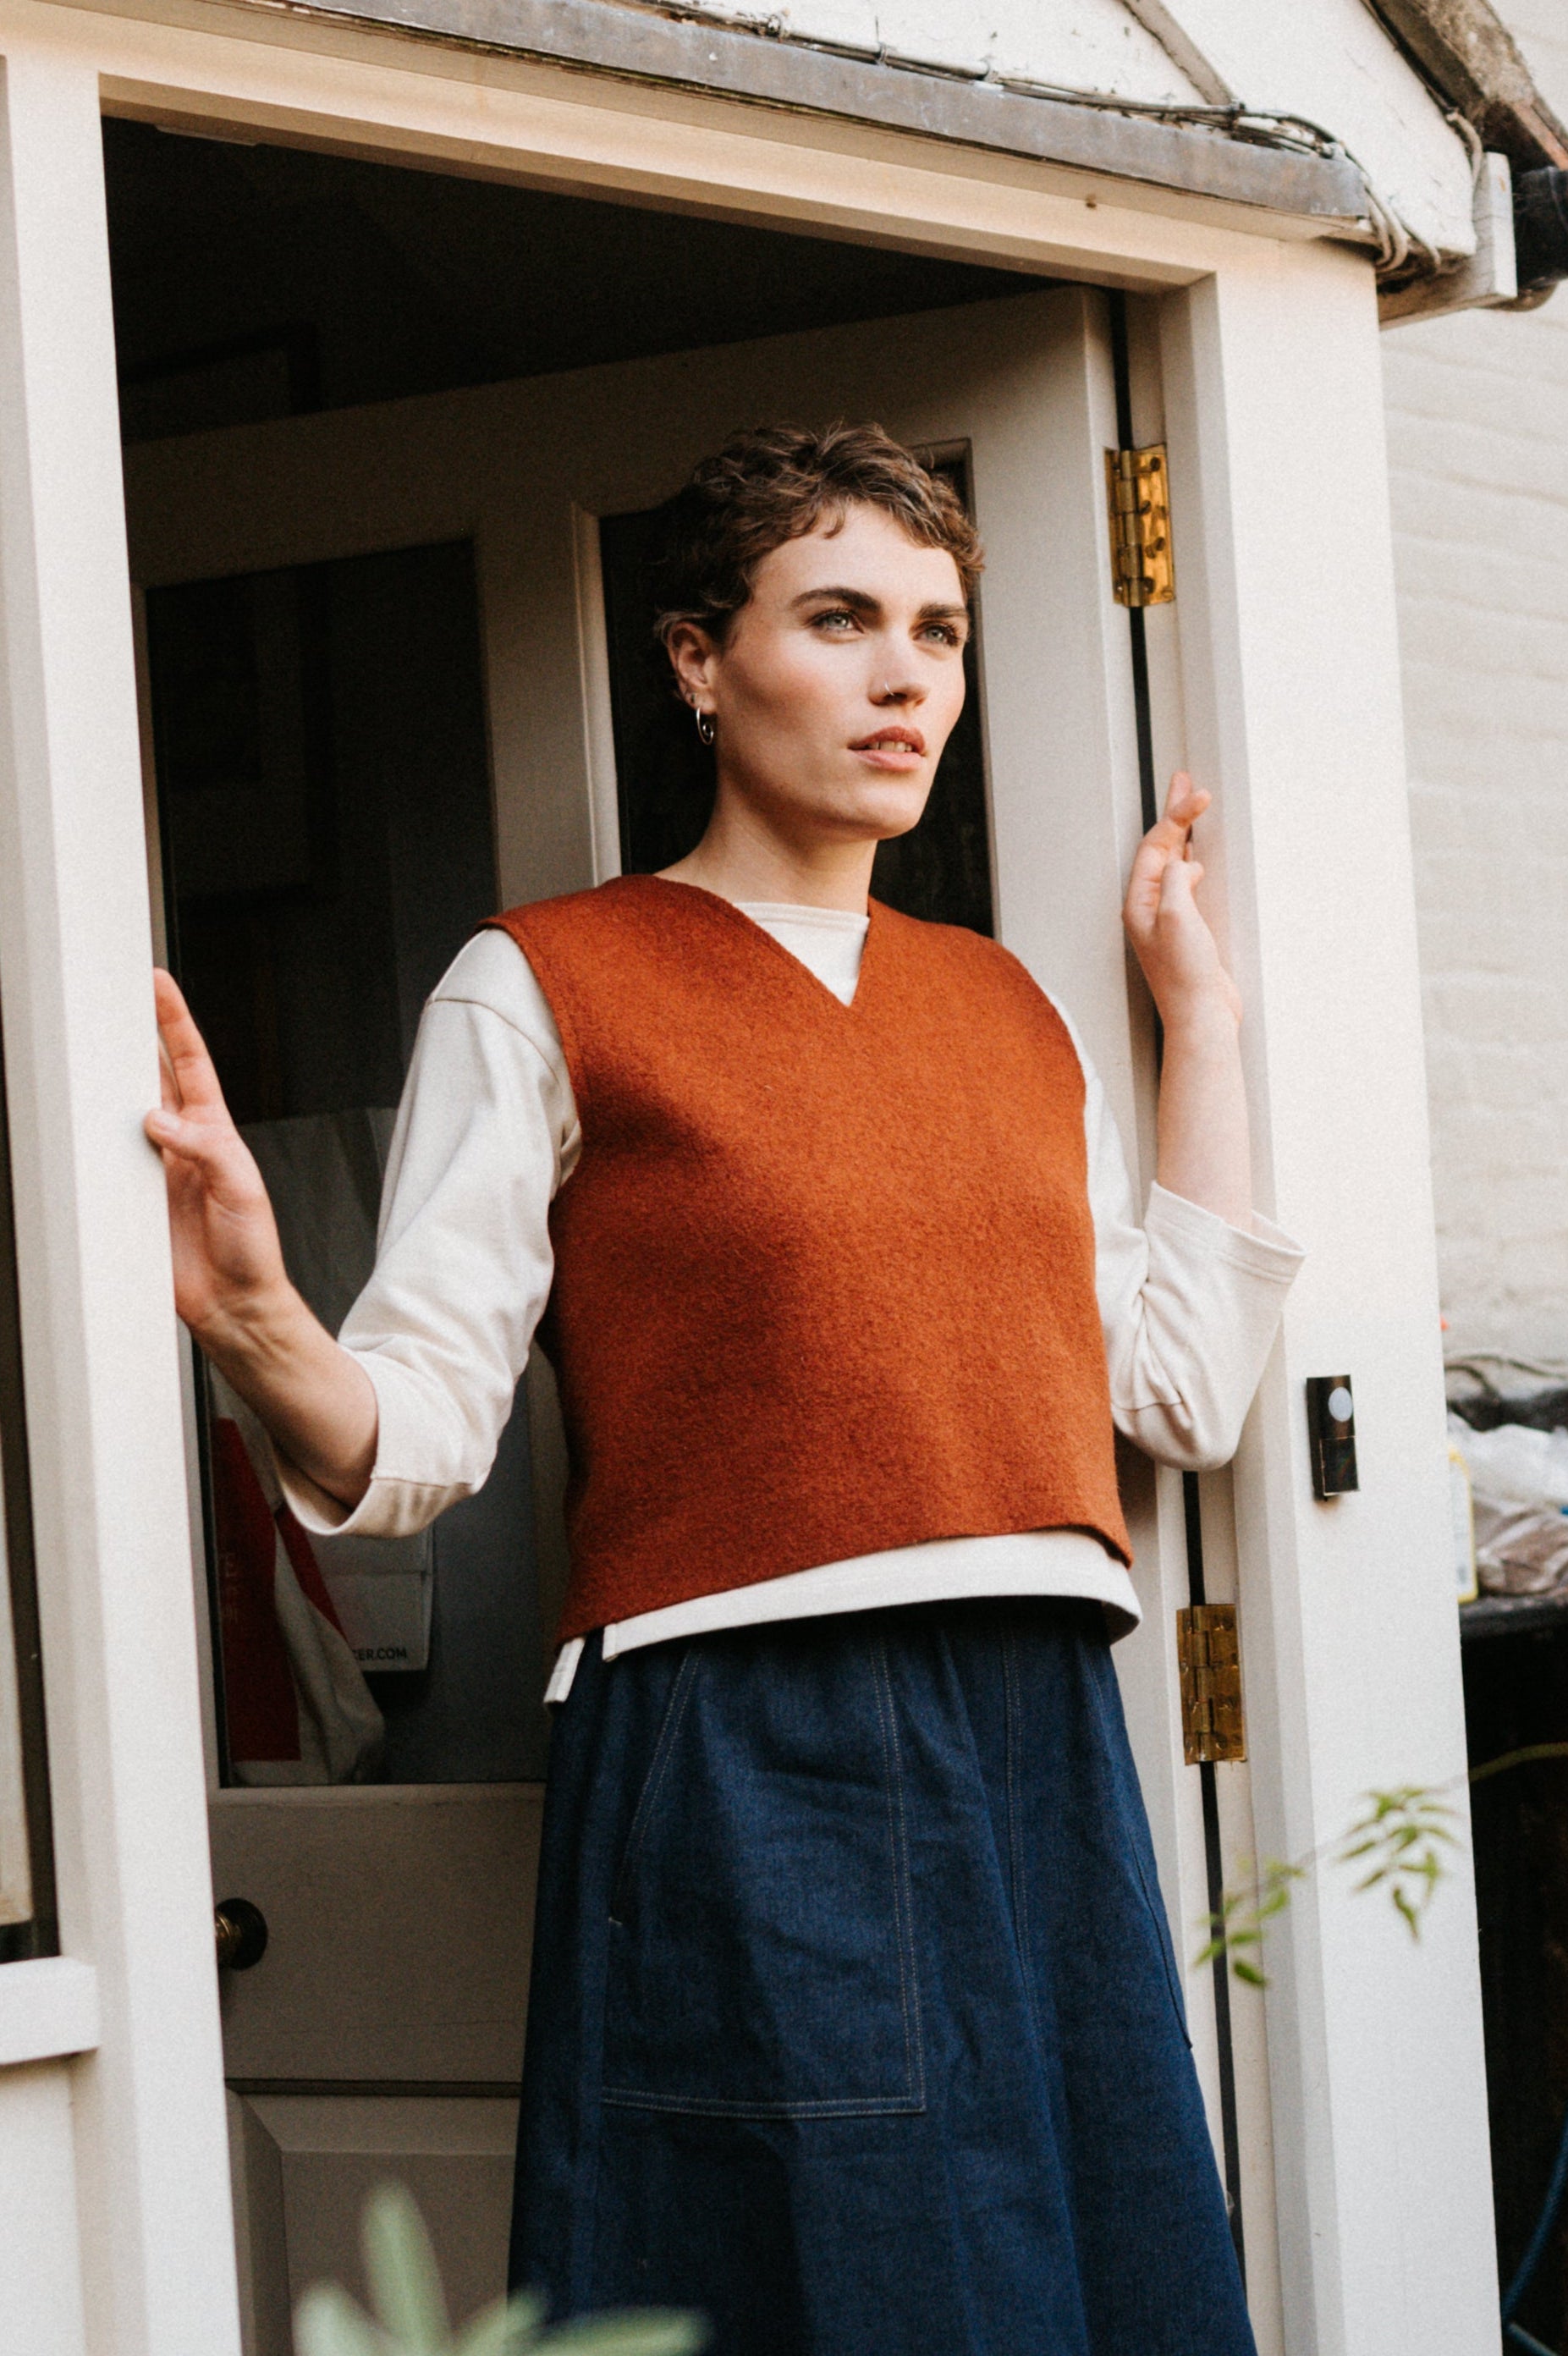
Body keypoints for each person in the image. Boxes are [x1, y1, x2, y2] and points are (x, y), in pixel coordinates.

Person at [148, 423, 1302, 2353]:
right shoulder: (549, 982)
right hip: (751, 1738)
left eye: (933, 630)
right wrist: (265, 1322)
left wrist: (1204, 1024)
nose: (900, 676)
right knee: (830, 2301)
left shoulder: (1004, 1006)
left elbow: (1180, 1384)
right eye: (836, 618)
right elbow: (421, 1427)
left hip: (1035, 1729)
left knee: (1091, 2286)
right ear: (698, 659)